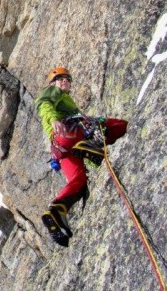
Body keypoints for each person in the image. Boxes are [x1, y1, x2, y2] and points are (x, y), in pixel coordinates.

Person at [35, 67, 128, 247]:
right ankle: (86, 146)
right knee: (120, 126)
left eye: (67, 79)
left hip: (61, 149)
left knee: (78, 180)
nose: (65, 81)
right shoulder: (52, 92)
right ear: (52, 83)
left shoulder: (65, 99)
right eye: (60, 79)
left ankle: (56, 211)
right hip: (69, 134)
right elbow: (43, 103)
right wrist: (54, 119)